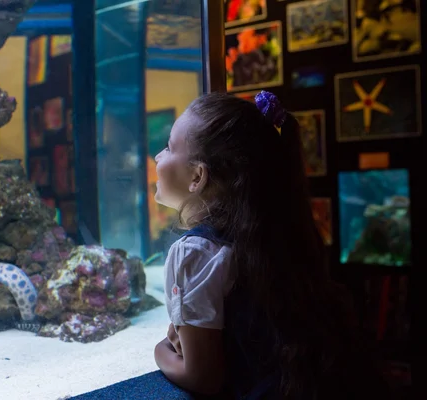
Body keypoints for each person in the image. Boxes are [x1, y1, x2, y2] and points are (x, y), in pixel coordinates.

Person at [152, 91, 390, 399]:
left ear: (197, 176)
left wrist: (160, 350)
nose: (158, 156)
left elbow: (202, 378)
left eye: (169, 147)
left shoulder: (194, 252)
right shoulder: (266, 237)